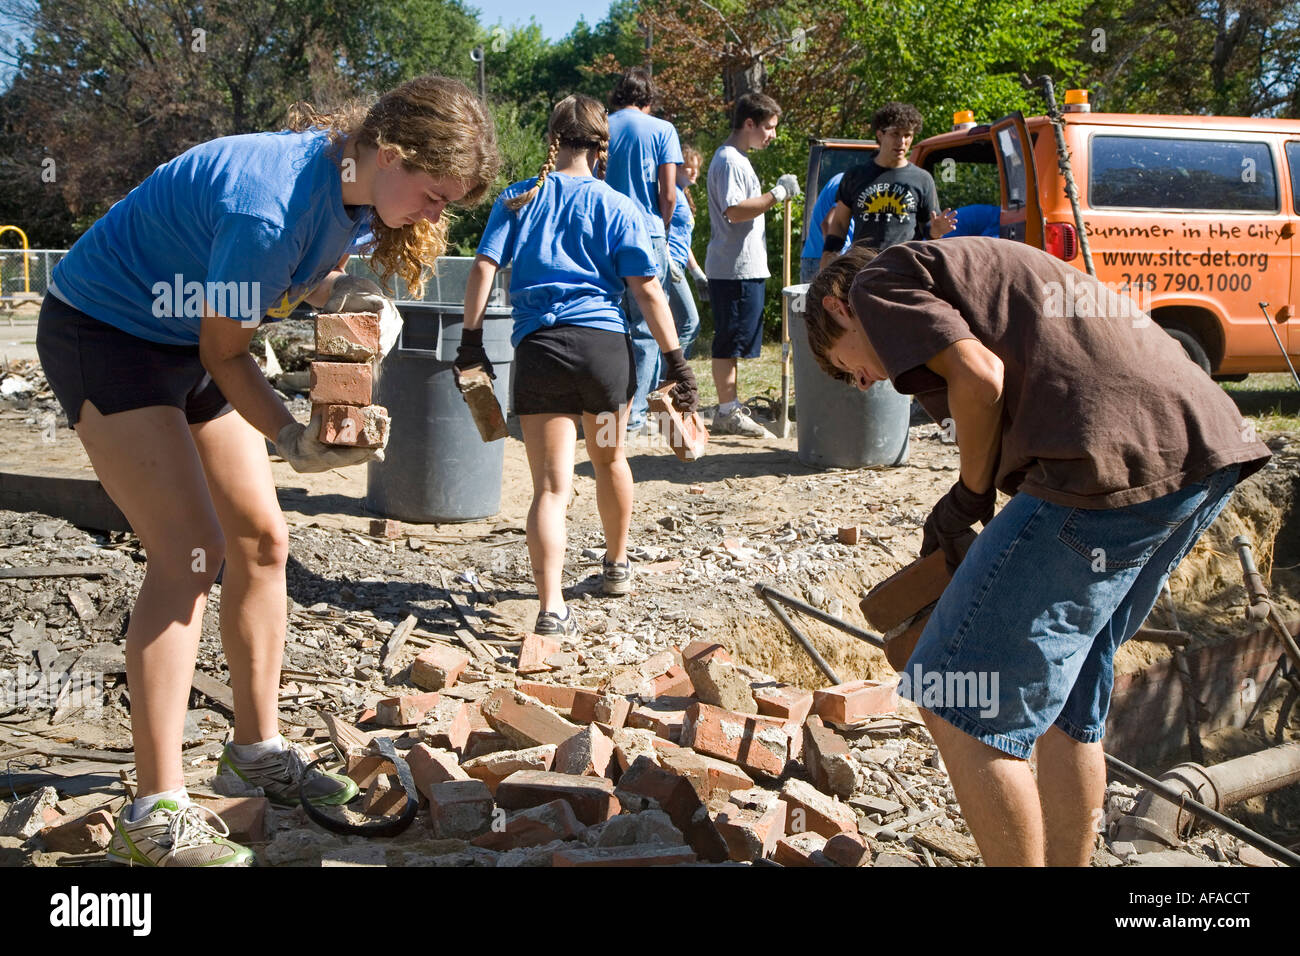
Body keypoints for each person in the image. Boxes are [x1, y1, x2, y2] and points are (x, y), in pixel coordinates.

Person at [35, 75, 499, 866]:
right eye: (431, 196)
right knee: (188, 551)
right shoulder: (266, 205)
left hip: (185, 337)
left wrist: (350, 296)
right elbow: (228, 351)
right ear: (389, 154)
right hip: (106, 334)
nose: (435, 216)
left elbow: (299, 277)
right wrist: (290, 437)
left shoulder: (354, 193)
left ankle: (254, 752)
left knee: (260, 541)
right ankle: (154, 815)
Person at [803, 238, 1270, 866]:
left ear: (838, 308)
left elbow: (981, 377)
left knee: (956, 697)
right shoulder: (970, 278)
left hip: (1108, 464)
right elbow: (1009, 386)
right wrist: (970, 501)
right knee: (1068, 701)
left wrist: (969, 495)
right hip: (1196, 450)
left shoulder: (876, 282)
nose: (860, 383)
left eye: (841, 366)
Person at [454, 95, 696, 639]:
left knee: (551, 487)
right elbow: (649, 291)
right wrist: (677, 361)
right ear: (601, 145)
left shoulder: (519, 197)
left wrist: (471, 342)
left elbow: (483, 268)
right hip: (603, 358)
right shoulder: (620, 207)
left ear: (552, 138)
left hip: (540, 356)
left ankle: (551, 606)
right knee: (609, 459)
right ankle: (616, 566)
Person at [705, 91, 799, 437]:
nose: (772, 134)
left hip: (742, 266)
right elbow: (735, 210)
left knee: (735, 340)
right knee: (729, 340)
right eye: (769, 127)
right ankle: (727, 411)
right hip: (733, 267)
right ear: (749, 123)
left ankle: (731, 407)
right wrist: (777, 194)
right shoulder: (729, 160)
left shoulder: (737, 158)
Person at [604, 68, 684, 434]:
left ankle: (606, 408)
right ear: (648, 100)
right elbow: (668, 193)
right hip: (646, 233)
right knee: (648, 325)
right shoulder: (662, 129)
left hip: (602, 232)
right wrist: (663, 228)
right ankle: (635, 417)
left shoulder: (601, 126)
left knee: (607, 322)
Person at [820, 102, 956, 270]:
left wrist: (937, 231)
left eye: (908, 135)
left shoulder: (922, 179)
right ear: (880, 134)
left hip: (905, 269)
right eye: (895, 134)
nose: (902, 142)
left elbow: (929, 230)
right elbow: (839, 223)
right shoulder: (856, 175)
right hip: (861, 269)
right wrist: (828, 257)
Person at [666, 144, 706, 358]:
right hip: (669, 265)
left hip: (679, 265)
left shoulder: (682, 195)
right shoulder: (670, 193)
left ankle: (665, 379)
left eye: (697, 168)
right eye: (688, 167)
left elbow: (683, 240)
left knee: (674, 324)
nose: (694, 172)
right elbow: (663, 229)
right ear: (677, 168)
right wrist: (667, 259)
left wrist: (696, 271)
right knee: (690, 323)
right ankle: (670, 378)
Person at [798, 171, 855, 283]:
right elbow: (828, 223)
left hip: (815, 257)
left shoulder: (841, 179)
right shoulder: (847, 183)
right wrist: (835, 260)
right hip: (823, 259)